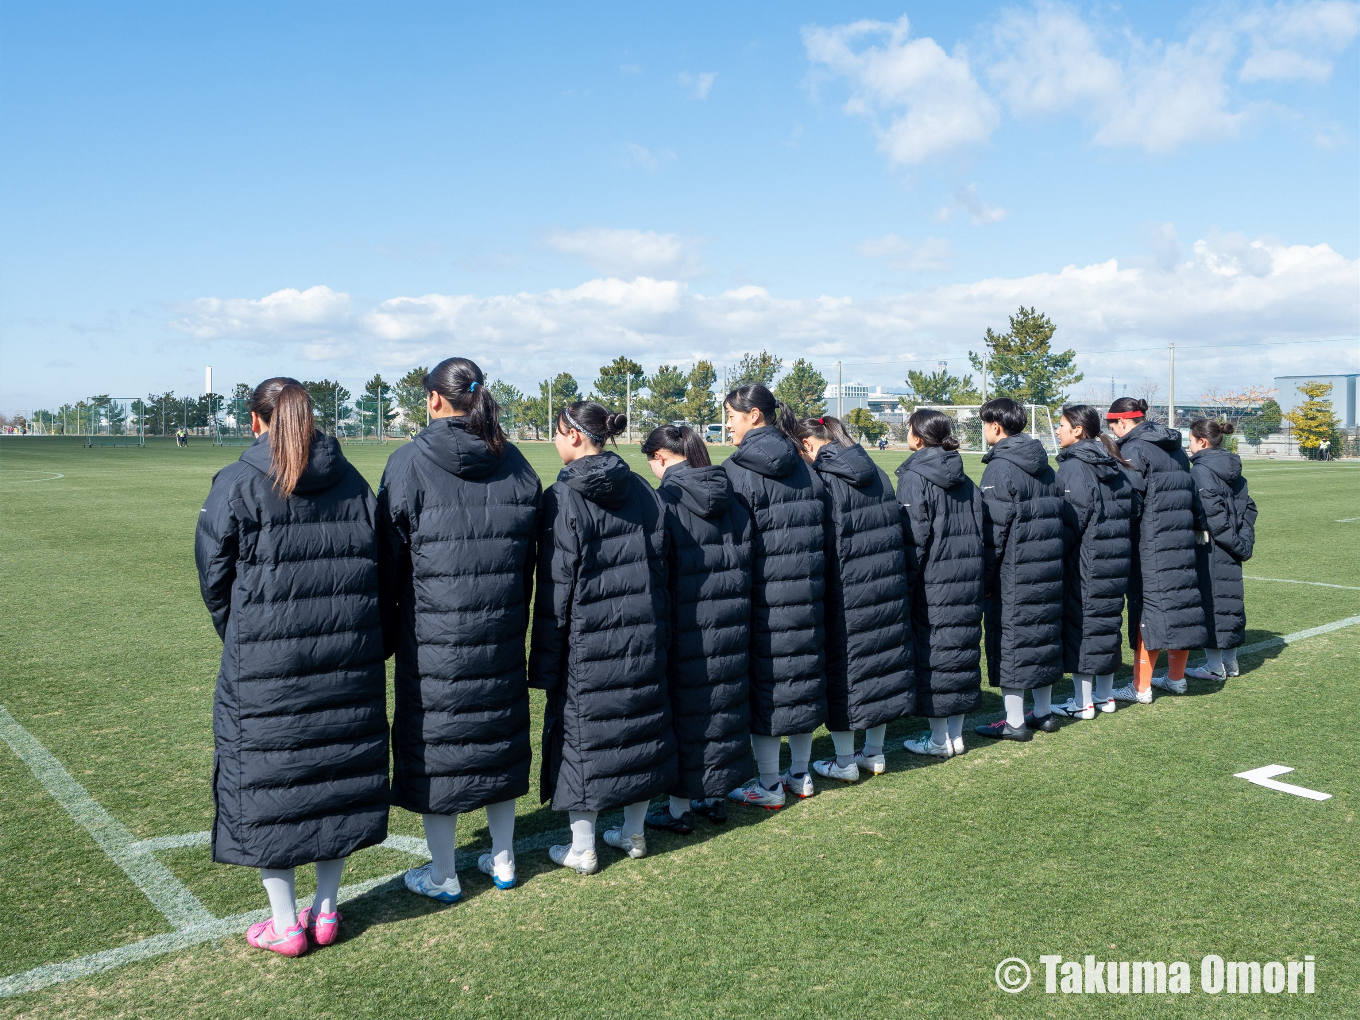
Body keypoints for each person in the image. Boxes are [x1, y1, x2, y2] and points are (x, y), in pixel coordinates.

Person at [195, 378, 388, 957]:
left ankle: (286, 924)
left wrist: (245, 632)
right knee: (335, 774)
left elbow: (214, 576)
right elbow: (380, 563)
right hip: (347, 654)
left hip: (268, 658)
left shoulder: (238, 481)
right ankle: (324, 912)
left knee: (270, 780)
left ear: (257, 421)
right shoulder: (352, 480)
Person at [378, 358, 541, 901]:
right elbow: (527, 556)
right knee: (498, 736)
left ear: (433, 400)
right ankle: (504, 859)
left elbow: (389, 558)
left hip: (433, 636)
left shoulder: (408, 463)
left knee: (439, 748)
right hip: (499, 627)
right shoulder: (516, 463)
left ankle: (444, 873)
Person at [530, 401, 677, 874]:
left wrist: (546, 659)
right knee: (639, 724)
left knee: (583, 737)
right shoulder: (641, 488)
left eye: (556, 433)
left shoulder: (565, 495)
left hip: (588, 639)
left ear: (573, 436)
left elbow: (557, 584)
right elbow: (661, 560)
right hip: (644, 626)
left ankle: (583, 847)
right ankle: (633, 833)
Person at [640, 424, 755, 832]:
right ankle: (717, 795)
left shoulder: (665, 500)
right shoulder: (732, 495)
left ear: (660, 459)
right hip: (733, 616)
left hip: (688, 619)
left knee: (688, 711)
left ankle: (678, 809)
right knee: (724, 705)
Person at [720, 384, 828, 808]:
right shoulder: (805, 466)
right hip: (807, 589)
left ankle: (767, 785)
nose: (728, 423)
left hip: (764, 596)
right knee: (800, 681)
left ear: (754, 416)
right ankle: (799, 775)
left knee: (766, 687)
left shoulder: (738, 469)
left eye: (731, 414)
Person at [796, 416, 913, 782]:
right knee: (880, 667)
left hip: (845, 588)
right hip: (886, 584)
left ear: (809, 445)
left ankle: (844, 761)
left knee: (845, 671)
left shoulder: (824, 479)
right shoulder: (876, 469)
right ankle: (874, 753)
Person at [971, 398, 1064, 741]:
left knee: (1011, 640)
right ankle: (1043, 713)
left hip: (1015, 569)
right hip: (1047, 565)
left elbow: (994, 531)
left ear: (996, 426)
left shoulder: (1001, 467)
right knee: (1041, 636)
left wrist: (986, 577)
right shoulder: (1046, 465)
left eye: (984, 424)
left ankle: (1014, 722)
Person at [1105, 397, 1207, 702]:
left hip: (1150, 541)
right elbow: (1193, 492)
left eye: (1113, 427)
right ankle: (1176, 678)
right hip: (1180, 538)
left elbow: (1131, 500)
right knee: (1180, 607)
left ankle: (1141, 686)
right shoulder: (1174, 447)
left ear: (1122, 422)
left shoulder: (1134, 448)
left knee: (1147, 610)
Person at [896, 409, 985, 758]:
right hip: (966, 577)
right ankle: (956, 736)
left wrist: (906, 584)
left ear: (917, 437)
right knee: (960, 652)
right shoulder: (966, 479)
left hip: (933, 581)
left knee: (936, 655)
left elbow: (913, 539)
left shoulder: (915, 477)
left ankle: (938, 739)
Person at [1049, 404, 1133, 719]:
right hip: (1114, 559)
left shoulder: (1074, 467)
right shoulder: (1112, 462)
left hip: (1086, 561)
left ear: (1078, 430)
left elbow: (1072, 521)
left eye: (1061, 425)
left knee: (1081, 626)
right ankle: (1105, 696)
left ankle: (1083, 702)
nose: (1057, 431)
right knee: (1107, 625)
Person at [1183, 419, 1258, 682]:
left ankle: (1215, 667)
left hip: (1212, 547)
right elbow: (1249, 509)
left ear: (1201, 441)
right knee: (1230, 600)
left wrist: (1239, 545)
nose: (1188, 446)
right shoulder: (1233, 468)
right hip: (1231, 546)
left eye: (1190, 440)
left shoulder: (1201, 471)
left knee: (1212, 601)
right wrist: (1243, 543)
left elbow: (1214, 518)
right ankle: (1230, 662)